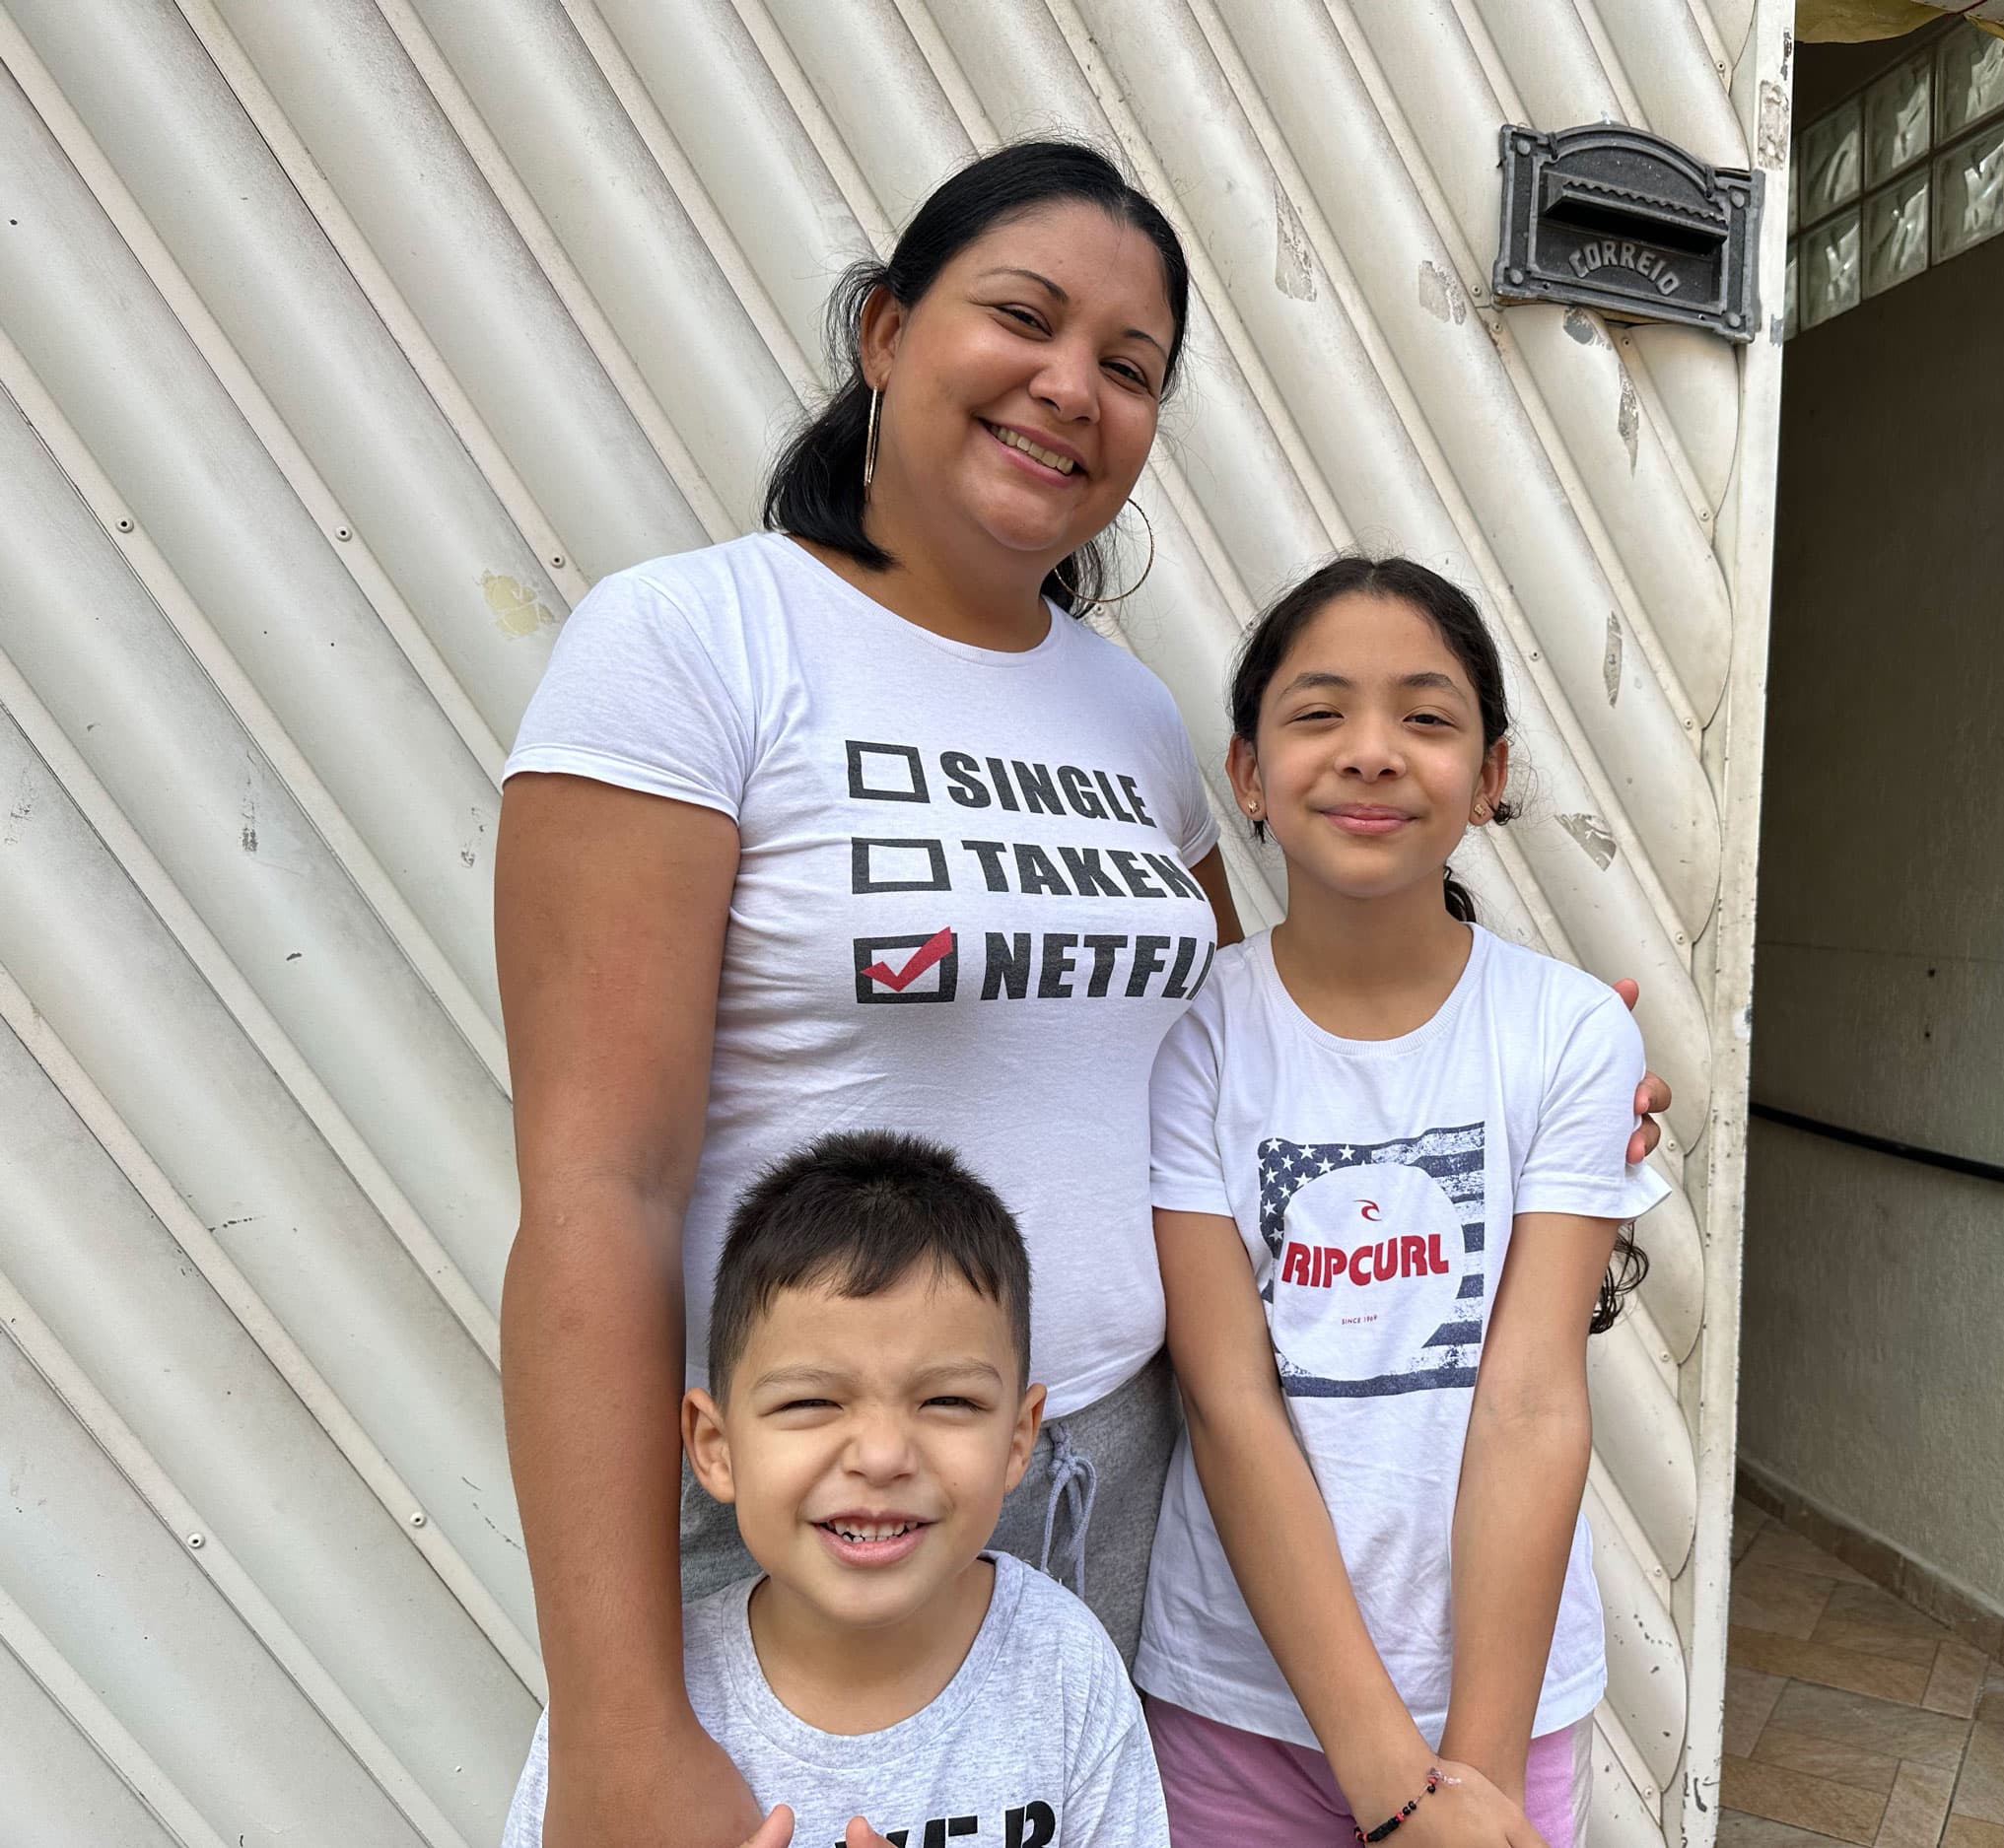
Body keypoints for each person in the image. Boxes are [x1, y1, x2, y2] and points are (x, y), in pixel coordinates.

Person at [493, 138, 1671, 1848]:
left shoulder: (1129, 720)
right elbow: (598, 1185)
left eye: (1130, 369)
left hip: (1104, 1491)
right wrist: (617, 1726)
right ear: (888, 332)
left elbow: (1250, 1044)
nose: (1072, 389)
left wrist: (1556, 1114)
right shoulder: (689, 646)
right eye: (1022, 321)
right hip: (797, 1492)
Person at [1134, 558, 1669, 1848]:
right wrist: (1393, 1778)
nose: (1372, 752)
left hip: (1506, 1704)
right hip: (1237, 1703)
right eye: (1319, 712)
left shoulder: (1569, 1034)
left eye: (1427, 717)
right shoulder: (1193, 1034)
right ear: (1248, 773)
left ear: (1491, 774)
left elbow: (1534, 1395)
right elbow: (1229, 1395)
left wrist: (1467, 1779)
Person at [502, 1130, 1167, 1848]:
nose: (882, 1455)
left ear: (1017, 1438)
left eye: (948, 1401)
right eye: (811, 1403)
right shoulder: (650, 1709)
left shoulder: (1064, 1671)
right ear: (715, 1447)